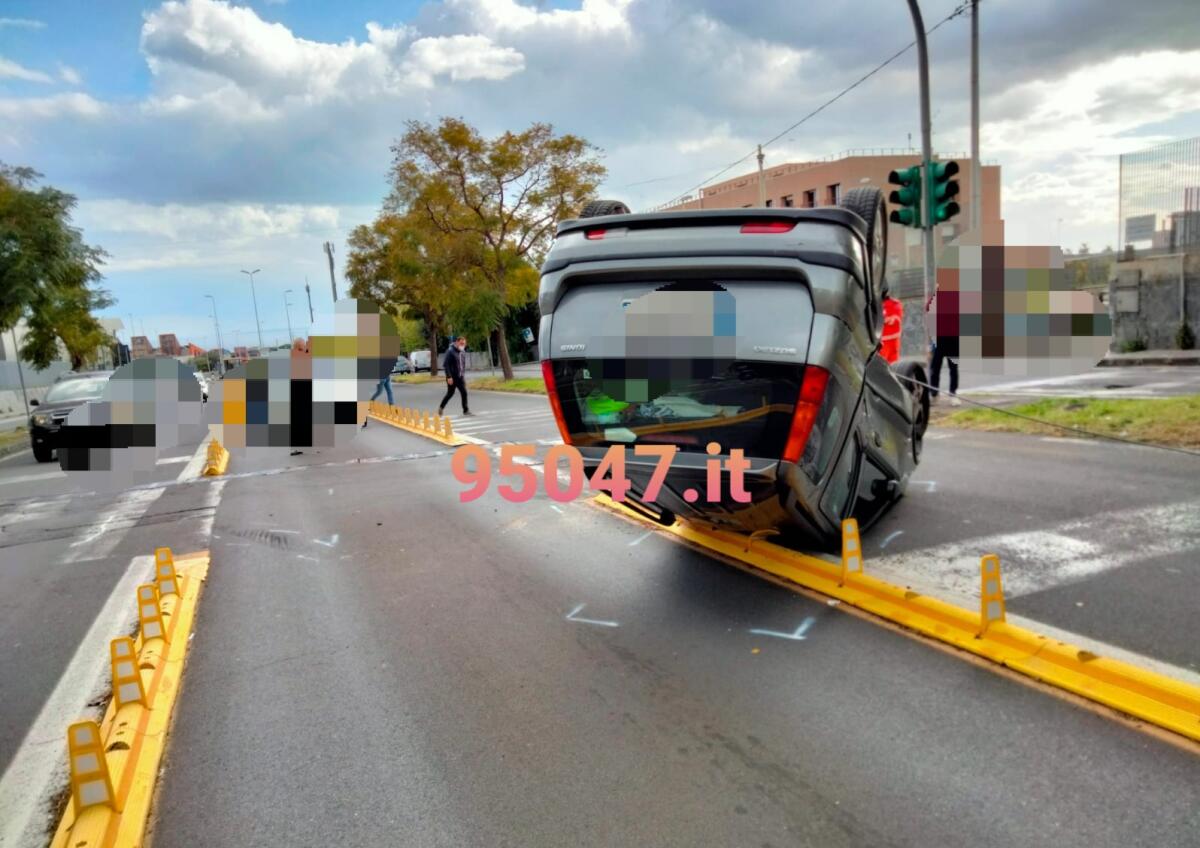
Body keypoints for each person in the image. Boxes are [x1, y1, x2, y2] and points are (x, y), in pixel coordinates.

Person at [438, 336, 472, 416]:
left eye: (464, 344)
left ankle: (466, 410)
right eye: (461, 343)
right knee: (450, 393)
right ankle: (441, 407)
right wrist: (449, 377)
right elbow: (446, 365)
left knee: (464, 392)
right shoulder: (450, 351)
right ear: (457, 342)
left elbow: (462, 364)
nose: (462, 345)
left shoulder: (462, 351)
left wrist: (462, 374)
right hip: (452, 378)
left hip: (460, 377)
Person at [880, 294, 903, 364]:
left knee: (883, 363)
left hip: (885, 340)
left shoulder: (881, 305)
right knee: (893, 363)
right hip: (894, 338)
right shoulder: (896, 303)